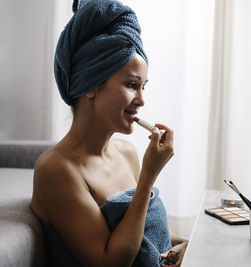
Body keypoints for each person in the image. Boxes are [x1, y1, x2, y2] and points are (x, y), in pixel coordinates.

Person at [30, 0, 188, 266]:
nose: (141, 100)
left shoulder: (127, 152)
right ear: (91, 85)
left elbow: (148, 233)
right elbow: (110, 262)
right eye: (131, 85)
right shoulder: (57, 169)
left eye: (143, 87)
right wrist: (149, 177)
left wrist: (189, 245)